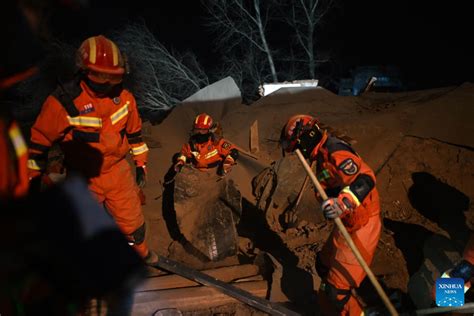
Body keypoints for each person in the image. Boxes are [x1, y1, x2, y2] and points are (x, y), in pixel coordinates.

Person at [27, 34, 158, 266]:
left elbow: (136, 136)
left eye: (114, 78)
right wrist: (33, 181)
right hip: (84, 176)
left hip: (117, 172)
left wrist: (141, 166)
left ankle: (138, 255)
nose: (107, 84)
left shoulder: (125, 99)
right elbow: (39, 143)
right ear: (83, 71)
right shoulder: (64, 102)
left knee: (133, 222)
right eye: (99, 76)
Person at [280, 114, 381, 316]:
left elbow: (366, 179)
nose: (299, 154)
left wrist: (343, 202)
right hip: (346, 223)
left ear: (305, 138)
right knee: (323, 268)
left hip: (361, 225)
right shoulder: (322, 155)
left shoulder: (335, 151)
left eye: (297, 149)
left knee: (336, 292)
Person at [174, 113, 239, 175]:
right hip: (195, 172)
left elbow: (233, 152)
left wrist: (227, 163)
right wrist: (180, 162)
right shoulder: (191, 145)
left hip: (213, 173)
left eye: (203, 130)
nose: (200, 133)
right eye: (197, 129)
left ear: (209, 130)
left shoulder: (217, 142)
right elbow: (183, 154)